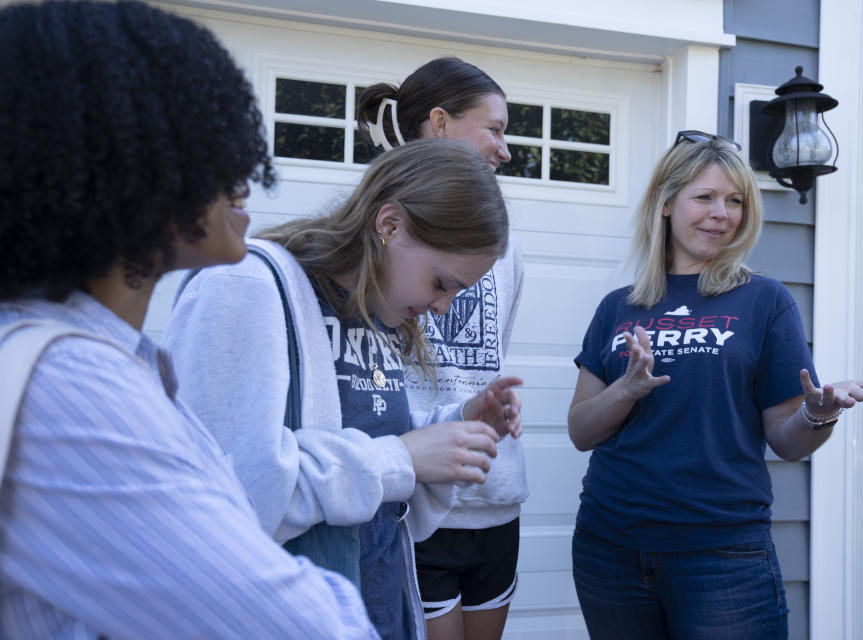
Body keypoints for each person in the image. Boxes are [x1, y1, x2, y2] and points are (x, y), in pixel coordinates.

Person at [0, 1, 379, 638]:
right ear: (115, 162)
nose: (244, 168)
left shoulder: (77, 356)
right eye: (204, 135)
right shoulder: (71, 383)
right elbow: (303, 628)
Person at [164, 137, 521, 640]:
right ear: (389, 224)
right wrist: (403, 457)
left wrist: (456, 427)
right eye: (442, 283)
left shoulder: (376, 313)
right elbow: (224, 490)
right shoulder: (244, 286)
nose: (443, 307)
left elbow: (365, 439)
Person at [567, 131, 863, 639]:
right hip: (609, 548)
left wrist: (818, 413)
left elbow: (786, 442)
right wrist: (625, 390)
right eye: (705, 197)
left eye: (735, 200)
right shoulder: (618, 306)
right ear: (666, 203)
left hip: (722, 556)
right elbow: (581, 431)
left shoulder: (764, 301)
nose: (721, 213)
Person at [357, 57, 526, 640]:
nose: (506, 148)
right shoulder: (377, 232)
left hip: (495, 496)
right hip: (413, 500)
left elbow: (491, 355)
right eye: (496, 128)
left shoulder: (507, 244)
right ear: (441, 123)